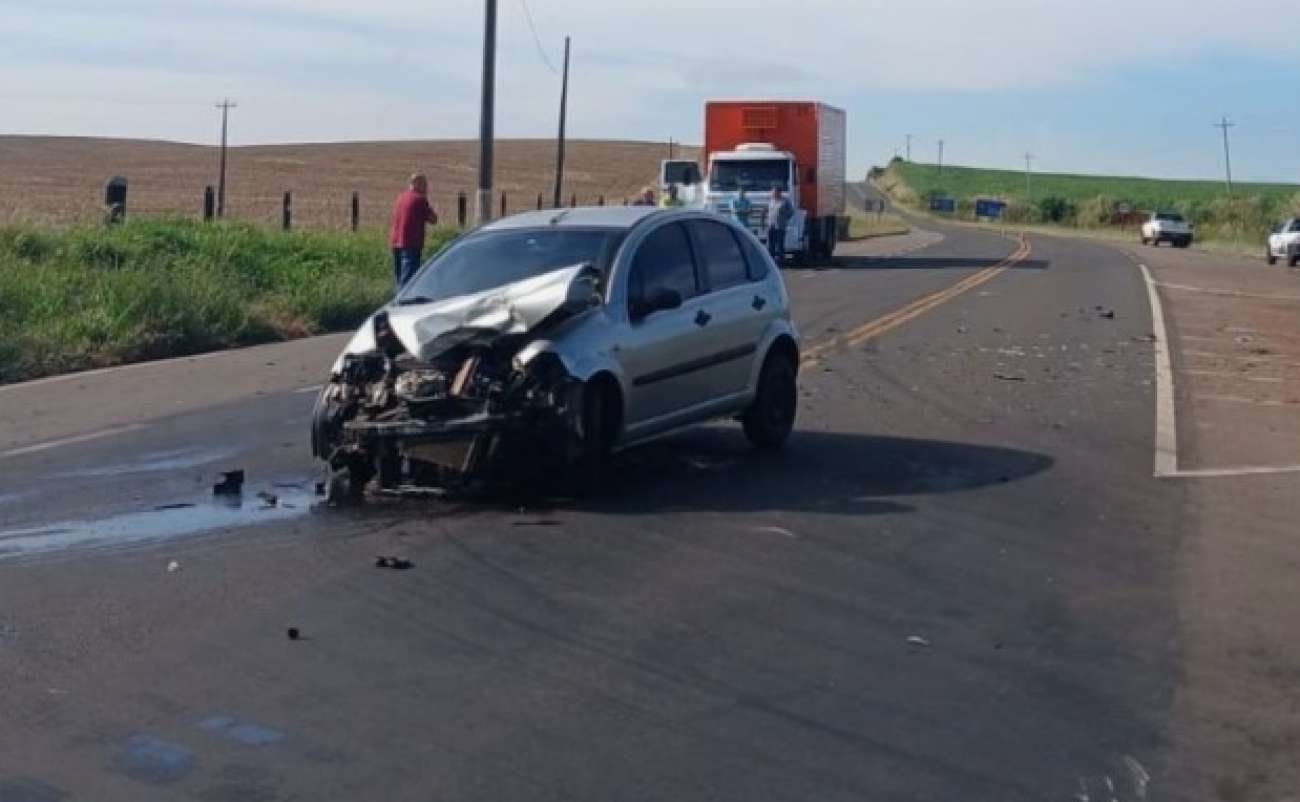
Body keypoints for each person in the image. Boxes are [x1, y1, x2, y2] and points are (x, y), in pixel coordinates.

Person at [389, 173, 439, 290]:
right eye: (425, 185)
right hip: (411, 243)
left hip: (395, 242)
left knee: (399, 278)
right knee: (408, 282)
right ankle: (404, 304)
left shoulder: (401, 197)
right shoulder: (420, 199)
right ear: (419, 184)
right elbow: (433, 219)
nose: (427, 188)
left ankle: (397, 301)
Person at [767, 187, 795, 262]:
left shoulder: (785, 201)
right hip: (771, 225)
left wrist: (784, 217)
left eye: (775, 192)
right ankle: (771, 259)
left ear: (779, 192)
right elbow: (768, 211)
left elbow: (791, 212)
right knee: (771, 243)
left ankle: (781, 259)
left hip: (780, 225)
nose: (773, 194)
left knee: (780, 244)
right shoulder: (771, 201)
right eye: (772, 192)